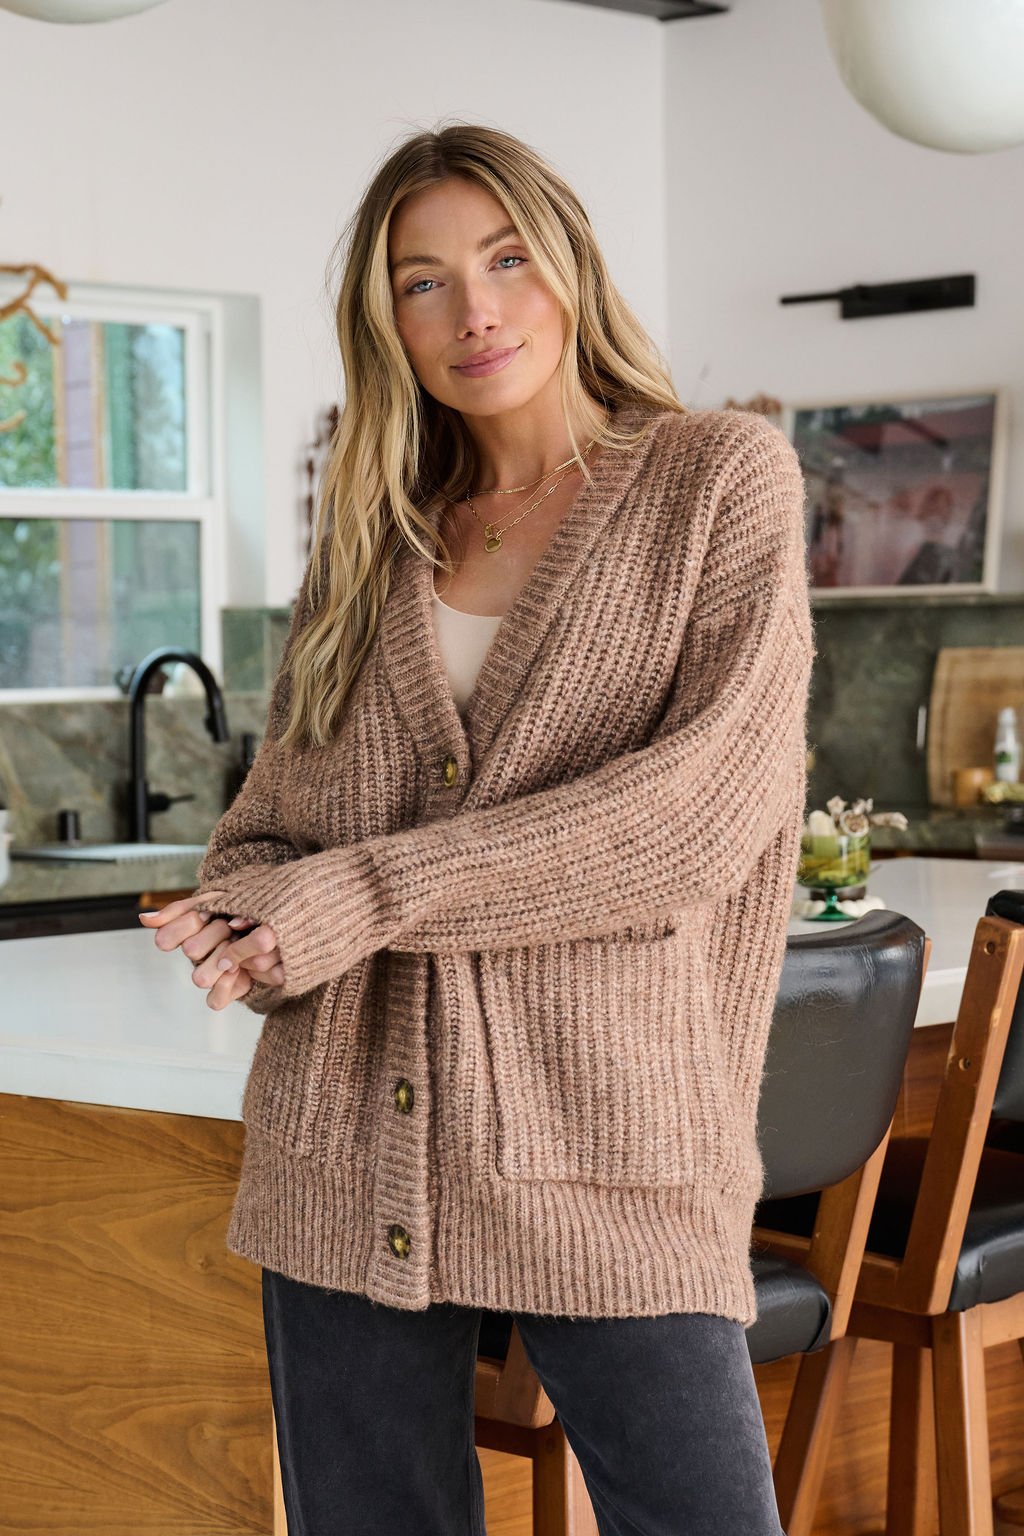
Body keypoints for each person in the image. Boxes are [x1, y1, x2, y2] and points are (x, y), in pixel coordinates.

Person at [140, 122, 815, 1536]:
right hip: (341, 1152)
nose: (475, 310)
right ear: (384, 320)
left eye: (505, 259)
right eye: (422, 281)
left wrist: (357, 896)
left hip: (616, 1145)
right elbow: (269, 831)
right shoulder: (373, 530)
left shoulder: (715, 482)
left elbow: (691, 821)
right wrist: (255, 916)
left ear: (568, 261)